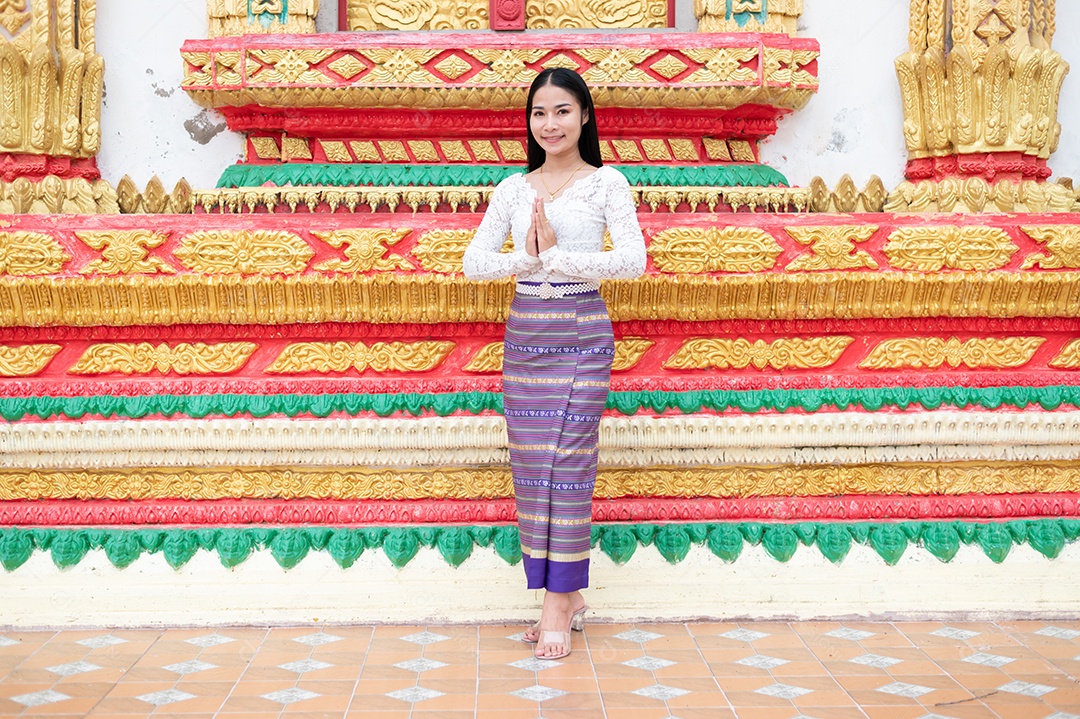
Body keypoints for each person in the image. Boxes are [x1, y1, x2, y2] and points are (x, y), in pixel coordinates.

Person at [462, 68, 647, 659]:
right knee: (532, 467)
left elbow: (633, 261)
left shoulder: (607, 183)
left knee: (568, 466)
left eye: (562, 111)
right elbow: (474, 263)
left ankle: (555, 605)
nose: (550, 124)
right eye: (539, 113)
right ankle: (566, 595)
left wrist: (560, 258)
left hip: (581, 332)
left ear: (584, 115)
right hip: (526, 337)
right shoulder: (513, 189)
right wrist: (527, 259)